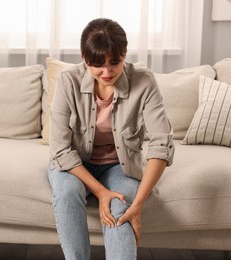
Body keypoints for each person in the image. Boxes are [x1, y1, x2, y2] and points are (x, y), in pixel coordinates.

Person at [48, 18, 175, 260]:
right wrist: (100, 191)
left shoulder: (144, 81)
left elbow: (161, 145)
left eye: (114, 63)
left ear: (125, 54)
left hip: (120, 165)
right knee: (66, 194)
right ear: (85, 58)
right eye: (97, 65)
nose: (107, 73)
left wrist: (136, 206)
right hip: (75, 165)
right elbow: (61, 149)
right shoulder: (68, 81)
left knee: (121, 206)